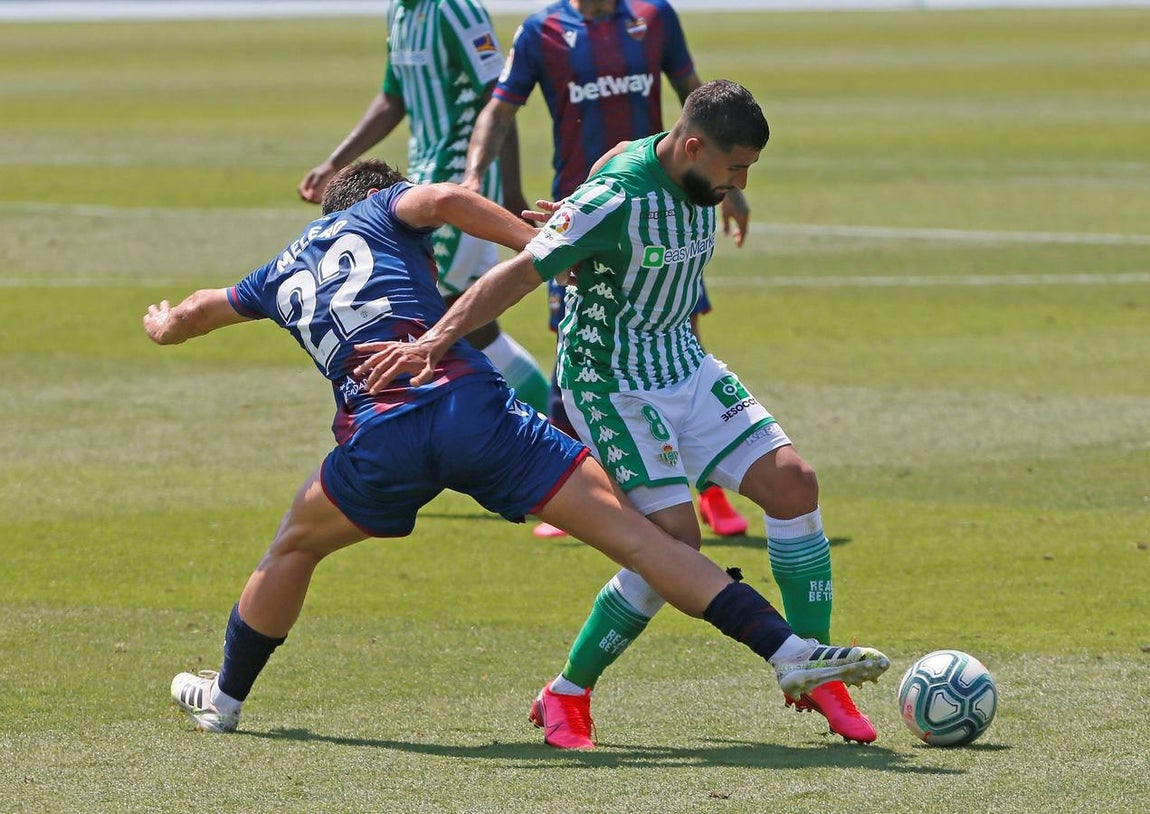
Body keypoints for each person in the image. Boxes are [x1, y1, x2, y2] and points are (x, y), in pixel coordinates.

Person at [146, 159, 890, 737]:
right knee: (639, 538)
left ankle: (228, 697)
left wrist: (164, 325)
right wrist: (540, 244)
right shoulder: (383, 209)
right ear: (376, 198)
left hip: (382, 436)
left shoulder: (278, 269)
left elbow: (203, 311)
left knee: (292, 550)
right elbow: (438, 200)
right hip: (473, 408)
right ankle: (784, 651)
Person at [356, 81, 880, 748]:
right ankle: (566, 693)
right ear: (693, 147)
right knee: (673, 545)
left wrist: (725, 191)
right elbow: (517, 273)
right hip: (611, 384)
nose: (741, 181)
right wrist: (436, 339)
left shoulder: (684, 172)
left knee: (794, 483)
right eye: (734, 168)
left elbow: (619, 171)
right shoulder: (621, 196)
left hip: (683, 363)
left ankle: (819, 669)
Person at [460, 0, 749, 539]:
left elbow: (696, 94)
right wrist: (479, 176)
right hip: (588, 209)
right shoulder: (541, 31)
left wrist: (725, 181)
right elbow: (500, 110)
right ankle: (577, 495)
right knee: (581, 342)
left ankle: (709, 492)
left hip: (669, 208)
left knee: (683, 333)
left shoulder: (653, 16)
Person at [297, 0, 551, 414]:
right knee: (470, 321)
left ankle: (435, 430)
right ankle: (557, 425)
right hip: (421, 183)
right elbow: (392, 97)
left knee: (426, 311)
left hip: (458, 184)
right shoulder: (399, 12)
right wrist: (336, 161)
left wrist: (508, 192)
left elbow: (498, 100)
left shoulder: (457, 11)